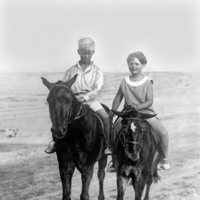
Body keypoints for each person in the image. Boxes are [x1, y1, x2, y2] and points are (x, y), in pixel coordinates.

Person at [45, 37, 111, 155]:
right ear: (78, 52)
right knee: (58, 115)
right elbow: (64, 86)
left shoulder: (97, 71)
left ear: (93, 53)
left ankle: (108, 145)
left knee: (106, 118)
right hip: (72, 101)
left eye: (89, 53)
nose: (86, 55)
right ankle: (55, 141)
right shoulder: (71, 70)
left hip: (90, 101)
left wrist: (85, 97)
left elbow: (98, 88)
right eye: (84, 52)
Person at [109, 51, 171, 170]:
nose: (133, 66)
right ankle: (114, 159)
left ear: (143, 65)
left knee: (163, 133)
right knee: (115, 130)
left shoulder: (147, 82)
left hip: (145, 112)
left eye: (137, 64)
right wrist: (113, 110)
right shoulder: (124, 81)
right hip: (128, 113)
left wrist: (137, 107)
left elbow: (149, 101)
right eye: (131, 63)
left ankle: (165, 158)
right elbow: (118, 97)